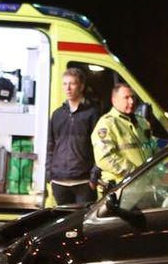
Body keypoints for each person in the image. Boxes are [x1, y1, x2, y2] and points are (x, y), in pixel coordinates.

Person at [47, 68, 102, 205]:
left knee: (82, 223)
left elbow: (101, 147)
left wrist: (94, 176)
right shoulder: (57, 114)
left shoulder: (93, 113)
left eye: (72, 84)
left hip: (83, 181)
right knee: (63, 223)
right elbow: (50, 144)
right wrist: (49, 174)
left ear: (81, 86)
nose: (68, 88)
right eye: (65, 84)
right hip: (59, 181)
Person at [92, 83, 156, 193]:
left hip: (144, 187)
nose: (131, 101)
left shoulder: (141, 122)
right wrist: (136, 173)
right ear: (114, 100)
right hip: (121, 189)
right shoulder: (106, 124)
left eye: (133, 97)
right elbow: (105, 158)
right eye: (126, 98)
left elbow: (153, 148)